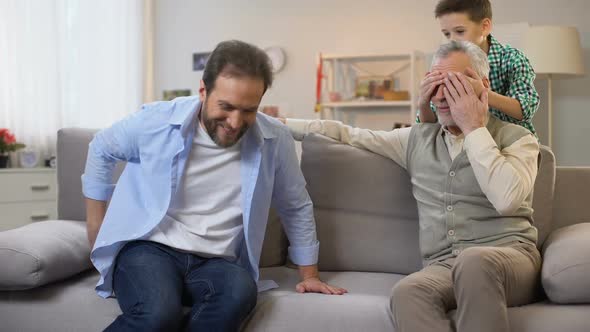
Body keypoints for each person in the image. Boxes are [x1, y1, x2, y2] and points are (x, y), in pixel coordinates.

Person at [82, 39, 346, 332]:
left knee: (239, 293)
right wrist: (96, 226)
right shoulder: (155, 121)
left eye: (249, 110)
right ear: (203, 91)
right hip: (149, 249)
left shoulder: (275, 139)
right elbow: (101, 148)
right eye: (227, 106)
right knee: (158, 313)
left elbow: (294, 205)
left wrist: (309, 274)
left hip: (217, 261)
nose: (235, 122)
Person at [281, 41, 541, 332]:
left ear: (483, 84)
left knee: (474, 261)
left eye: (454, 84)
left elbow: (507, 200)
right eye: (435, 83)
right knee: (409, 291)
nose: (441, 96)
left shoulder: (517, 138)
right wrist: (276, 124)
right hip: (444, 266)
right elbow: (346, 134)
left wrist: (473, 128)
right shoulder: (416, 139)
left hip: (510, 259)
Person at [418, 0, 540, 137]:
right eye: (446, 34)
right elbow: (429, 127)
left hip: (511, 145)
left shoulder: (511, 59)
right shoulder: (444, 63)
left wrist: (483, 92)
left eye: (460, 31)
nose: (452, 40)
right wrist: (423, 102)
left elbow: (526, 108)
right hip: (464, 146)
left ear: (485, 27)